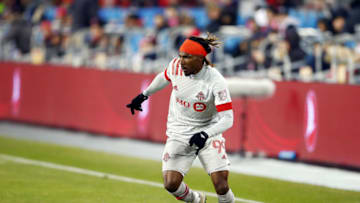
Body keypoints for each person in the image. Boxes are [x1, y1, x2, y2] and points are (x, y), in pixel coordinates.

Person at [127, 33, 235, 203]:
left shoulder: (216, 81)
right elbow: (163, 77)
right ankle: (197, 200)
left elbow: (228, 119)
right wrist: (144, 95)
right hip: (179, 132)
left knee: (221, 185)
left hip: (208, 133)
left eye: (187, 57)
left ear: (200, 58)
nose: (181, 61)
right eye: (180, 56)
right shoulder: (176, 66)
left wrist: (205, 134)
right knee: (170, 184)